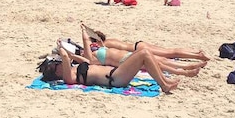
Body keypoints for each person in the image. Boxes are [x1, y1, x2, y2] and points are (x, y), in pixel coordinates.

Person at [40, 40, 180, 93]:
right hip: (115, 79)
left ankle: (165, 82)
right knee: (143, 53)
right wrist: (60, 49)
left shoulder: (74, 70)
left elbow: (84, 61)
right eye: (55, 65)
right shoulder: (68, 78)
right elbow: (64, 58)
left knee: (145, 54)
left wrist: (71, 56)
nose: (58, 63)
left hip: (117, 73)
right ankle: (164, 84)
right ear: (56, 73)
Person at [71, 25, 202, 77]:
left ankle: (190, 64)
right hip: (135, 50)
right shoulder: (103, 48)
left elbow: (87, 44)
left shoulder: (104, 46)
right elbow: (86, 44)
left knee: (165, 58)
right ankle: (191, 62)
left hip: (135, 51)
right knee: (164, 58)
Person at [81, 23, 209, 61]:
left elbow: (104, 53)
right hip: (139, 44)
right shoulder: (109, 41)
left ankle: (197, 56)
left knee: (170, 53)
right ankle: (195, 52)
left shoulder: (105, 45)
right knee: (169, 51)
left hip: (138, 49)